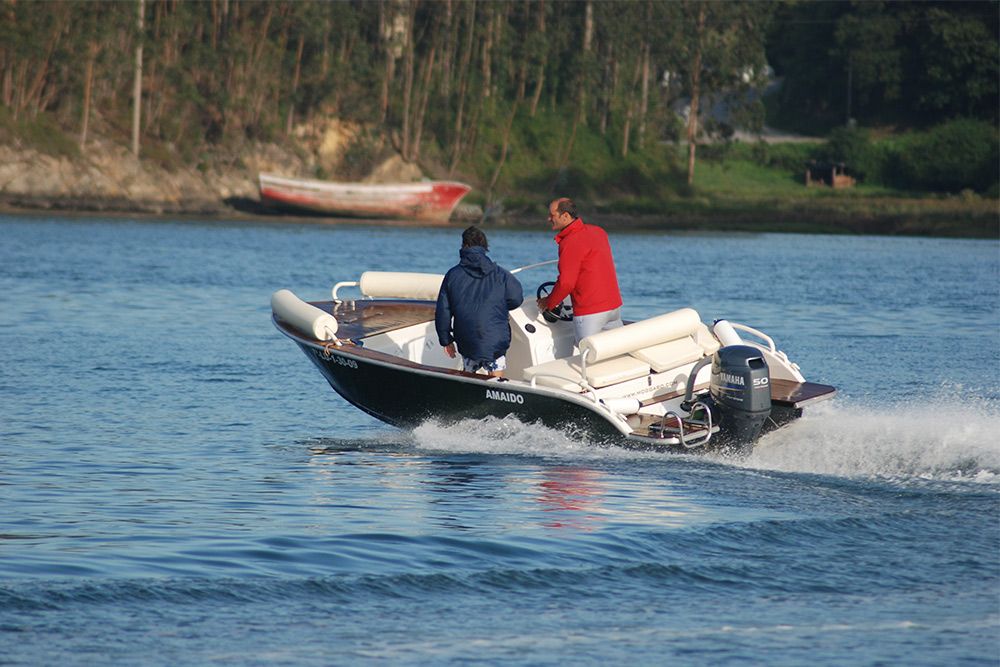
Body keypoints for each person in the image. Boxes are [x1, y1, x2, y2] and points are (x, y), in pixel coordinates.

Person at [435, 226, 524, 377]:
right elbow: (516, 299)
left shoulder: (452, 275)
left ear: (464, 246)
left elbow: (443, 310)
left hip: (466, 337)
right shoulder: (501, 274)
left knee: (469, 372)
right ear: (485, 246)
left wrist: (446, 340)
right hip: (495, 336)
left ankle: (468, 394)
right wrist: (499, 307)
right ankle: (497, 394)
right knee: (496, 374)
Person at [535, 197, 623, 344]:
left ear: (565, 216)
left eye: (552, 215)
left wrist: (549, 303)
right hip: (613, 307)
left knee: (585, 360)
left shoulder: (570, 241)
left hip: (590, 312)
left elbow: (566, 283)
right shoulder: (598, 232)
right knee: (615, 355)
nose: (548, 218)